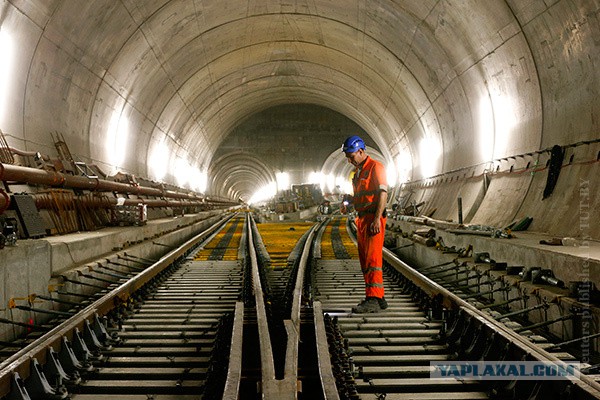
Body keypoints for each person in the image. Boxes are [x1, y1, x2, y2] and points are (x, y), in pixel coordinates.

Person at [341, 135, 388, 313]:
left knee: (372, 259)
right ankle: (379, 296)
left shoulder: (376, 167)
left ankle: (373, 299)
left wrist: (377, 218)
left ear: (361, 151)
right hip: (362, 218)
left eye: (351, 156)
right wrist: (350, 201)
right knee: (365, 259)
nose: (349, 160)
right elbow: (363, 196)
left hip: (372, 218)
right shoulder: (358, 172)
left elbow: (383, 194)